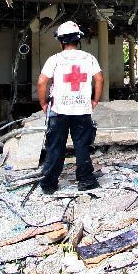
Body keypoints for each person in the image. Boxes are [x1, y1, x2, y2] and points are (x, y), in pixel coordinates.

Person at [37, 21, 104, 194]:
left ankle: (50, 184)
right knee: (82, 146)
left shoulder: (55, 60)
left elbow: (42, 81)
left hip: (59, 110)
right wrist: (95, 100)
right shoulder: (88, 58)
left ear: (61, 41)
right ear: (78, 39)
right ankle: (86, 182)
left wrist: (43, 103)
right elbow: (99, 79)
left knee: (55, 147)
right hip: (82, 109)